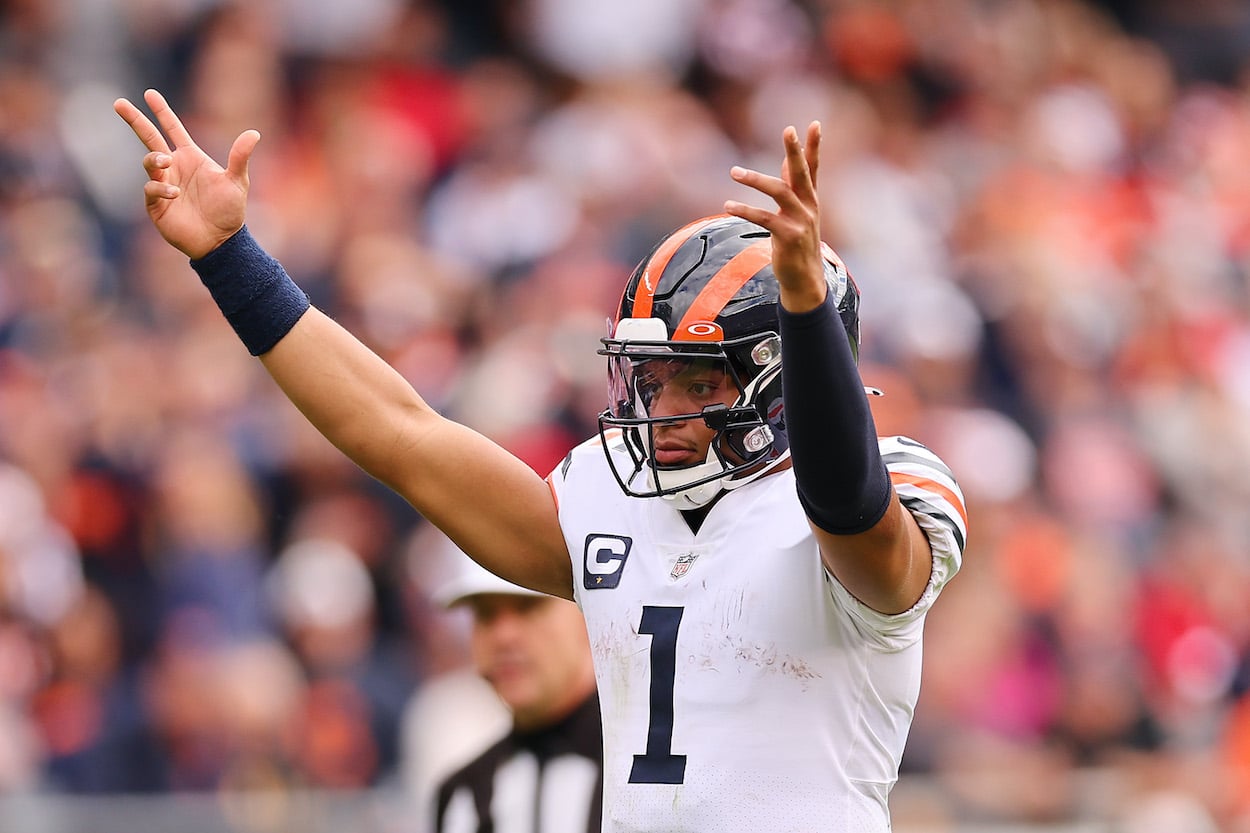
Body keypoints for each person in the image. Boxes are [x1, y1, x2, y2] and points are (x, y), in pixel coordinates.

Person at [114, 88, 968, 832]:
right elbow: (399, 433)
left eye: (694, 380)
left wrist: (806, 311)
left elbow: (848, 505)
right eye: (649, 378)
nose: (656, 411)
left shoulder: (890, 488)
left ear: (780, 381)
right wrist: (231, 260)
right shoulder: (608, 492)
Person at [429, 552, 601, 833]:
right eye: (485, 614)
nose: (503, 637)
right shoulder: (464, 794)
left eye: (527, 607)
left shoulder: (653, 775)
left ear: (587, 613)